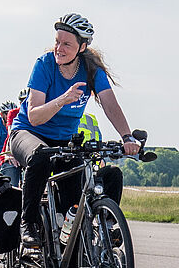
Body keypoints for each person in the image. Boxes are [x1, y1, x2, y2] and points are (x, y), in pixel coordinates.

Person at [9, 13, 138, 249]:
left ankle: (83, 255)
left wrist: (127, 137)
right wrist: (62, 100)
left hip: (62, 142)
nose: (59, 48)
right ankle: (28, 223)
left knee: (105, 180)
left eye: (66, 44)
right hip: (27, 134)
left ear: (82, 46)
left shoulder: (91, 71)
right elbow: (34, 116)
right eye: (57, 41)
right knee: (41, 157)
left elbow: (110, 104)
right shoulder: (44, 65)